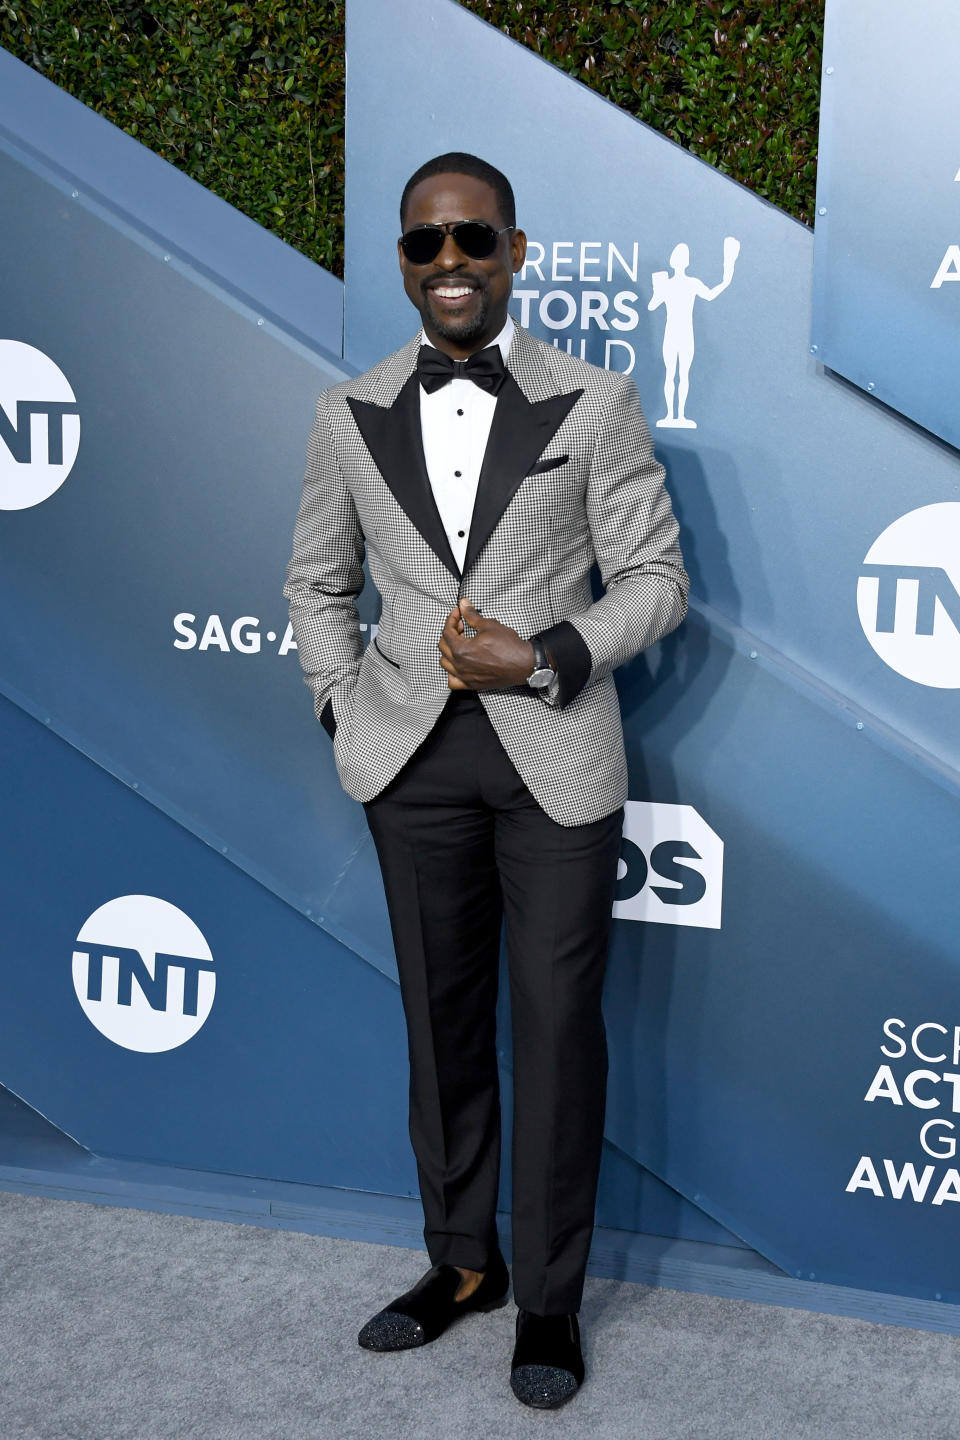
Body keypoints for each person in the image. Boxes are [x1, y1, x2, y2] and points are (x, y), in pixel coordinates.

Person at [283, 152, 689, 1410]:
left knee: (558, 1035)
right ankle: (462, 1266)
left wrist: (548, 651)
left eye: (472, 239)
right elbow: (317, 583)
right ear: (402, 262)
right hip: (412, 755)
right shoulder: (346, 412)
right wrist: (343, 697)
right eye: (424, 245)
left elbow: (660, 581)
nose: (448, 263)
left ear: (516, 249)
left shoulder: (597, 401)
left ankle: (551, 1303)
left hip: (554, 751)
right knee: (440, 1028)